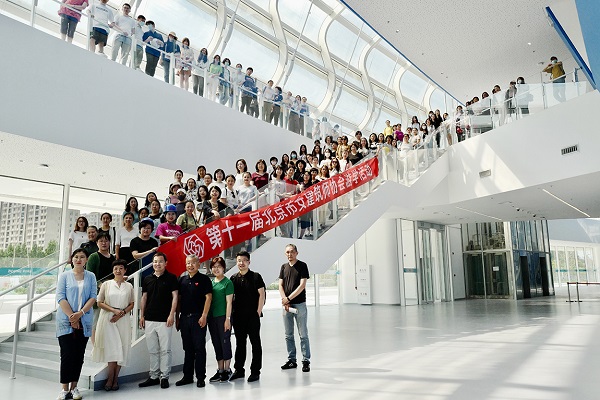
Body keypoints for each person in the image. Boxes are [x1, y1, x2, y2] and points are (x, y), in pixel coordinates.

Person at [56, 248, 97, 400]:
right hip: (65, 321)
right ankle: (64, 389)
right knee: (67, 354)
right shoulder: (65, 276)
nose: (79, 259)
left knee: (79, 355)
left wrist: (80, 314)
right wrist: (71, 317)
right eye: (76, 257)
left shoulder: (91, 276)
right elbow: (60, 297)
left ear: (86, 260)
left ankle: (74, 387)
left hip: (84, 319)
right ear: (72, 259)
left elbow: (93, 297)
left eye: (82, 257)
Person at [92, 259, 134, 391]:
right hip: (108, 318)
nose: (118, 270)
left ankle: (116, 379)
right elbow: (99, 302)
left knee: (122, 347)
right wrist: (114, 311)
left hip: (123, 318)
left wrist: (121, 313)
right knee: (112, 349)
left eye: (121, 268)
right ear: (113, 270)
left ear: (125, 270)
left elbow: (132, 303)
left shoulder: (129, 286)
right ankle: (110, 378)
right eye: (116, 268)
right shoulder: (106, 284)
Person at [139, 252, 178, 389]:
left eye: (160, 261)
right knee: (153, 350)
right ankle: (154, 376)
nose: (157, 264)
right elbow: (144, 298)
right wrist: (142, 315)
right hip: (149, 318)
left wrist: (171, 314)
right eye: (155, 261)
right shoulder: (147, 278)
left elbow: (175, 297)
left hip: (164, 319)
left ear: (165, 263)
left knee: (165, 350)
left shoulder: (172, 278)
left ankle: (164, 376)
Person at [174, 254, 212, 388]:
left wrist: (204, 316)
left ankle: (201, 377)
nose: (190, 265)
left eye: (193, 263)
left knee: (199, 348)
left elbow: (208, 298)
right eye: (188, 263)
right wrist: (177, 317)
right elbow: (178, 300)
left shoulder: (204, 279)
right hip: (184, 318)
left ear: (199, 264)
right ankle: (188, 376)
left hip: (198, 318)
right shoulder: (182, 280)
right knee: (187, 348)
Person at [229, 251, 265, 383]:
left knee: (255, 343)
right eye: (239, 260)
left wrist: (258, 311)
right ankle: (239, 370)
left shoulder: (256, 276)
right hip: (238, 316)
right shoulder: (233, 278)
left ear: (249, 262)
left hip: (252, 316)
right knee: (240, 343)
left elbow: (262, 294)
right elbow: (230, 298)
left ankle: (255, 371)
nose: (241, 263)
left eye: (244, 260)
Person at [279, 244, 311, 372]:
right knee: (288, 335)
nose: (289, 254)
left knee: (303, 334)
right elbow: (280, 285)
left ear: (297, 253)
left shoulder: (302, 266)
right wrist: (284, 300)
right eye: (287, 252)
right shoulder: (284, 267)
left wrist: (289, 299)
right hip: (286, 306)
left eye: (292, 252)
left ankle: (306, 360)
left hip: (299, 304)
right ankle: (292, 360)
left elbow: (302, 285)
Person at [207, 257, 234, 383]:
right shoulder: (211, 283)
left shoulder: (227, 283)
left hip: (223, 317)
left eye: (218, 266)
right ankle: (220, 370)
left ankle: (227, 369)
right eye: (213, 266)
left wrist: (227, 319)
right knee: (216, 342)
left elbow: (229, 303)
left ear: (223, 268)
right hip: (212, 318)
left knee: (225, 342)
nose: (216, 269)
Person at [86, 232, 116, 344]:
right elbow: (90, 276)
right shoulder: (94, 257)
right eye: (101, 241)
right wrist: (102, 285)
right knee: (96, 320)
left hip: (112, 292)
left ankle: (105, 344)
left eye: (106, 240)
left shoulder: (113, 257)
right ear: (97, 243)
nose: (104, 243)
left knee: (108, 319)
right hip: (98, 292)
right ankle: (95, 345)